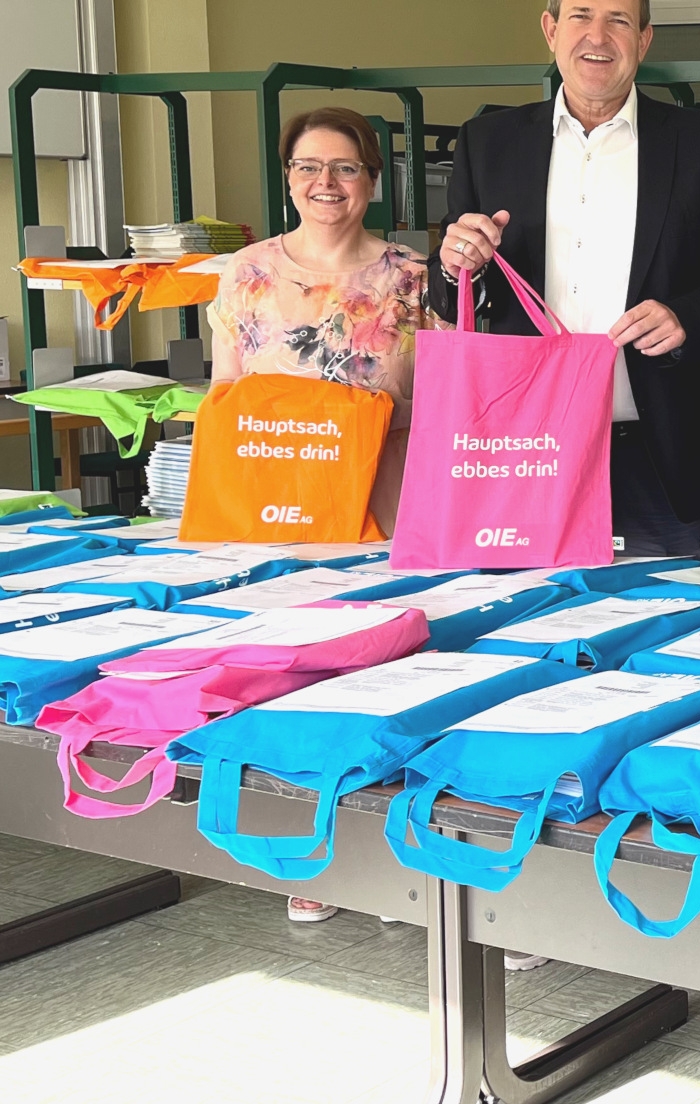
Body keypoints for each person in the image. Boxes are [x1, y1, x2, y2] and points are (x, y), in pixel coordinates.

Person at [433, 0, 700, 557]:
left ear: (643, 40)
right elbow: (458, 297)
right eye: (581, 16)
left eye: (619, 20)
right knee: (524, 632)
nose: (598, 37)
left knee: (657, 632)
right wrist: (455, 265)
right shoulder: (488, 143)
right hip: (521, 449)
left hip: (658, 450)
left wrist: (687, 317)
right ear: (551, 30)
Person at [208, 105, 434, 924]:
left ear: (372, 181)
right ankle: (317, 854)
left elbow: (430, 400)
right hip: (277, 510)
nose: (325, 183)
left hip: (382, 504)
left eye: (344, 167)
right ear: (289, 177)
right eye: (309, 167)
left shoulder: (411, 275)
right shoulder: (247, 273)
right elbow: (226, 398)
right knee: (287, 680)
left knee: (384, 676)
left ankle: (395, 863)